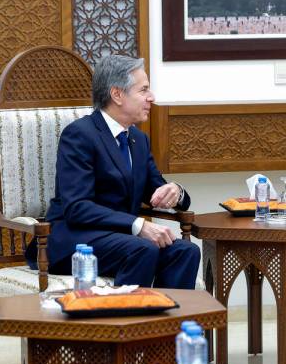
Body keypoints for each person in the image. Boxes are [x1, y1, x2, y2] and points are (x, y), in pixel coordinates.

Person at [27, 55, 200, 289]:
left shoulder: (138, 139)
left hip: (121, 239)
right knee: (142, 248)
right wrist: (139, 225)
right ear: (117, 94)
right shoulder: (79, 135)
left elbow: (157, 188)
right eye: (144, 90)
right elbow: (77, 207)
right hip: (74, 240)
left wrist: (175, 191)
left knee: (186, 251)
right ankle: (125, 323)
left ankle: (167, 324)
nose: (152, 97)